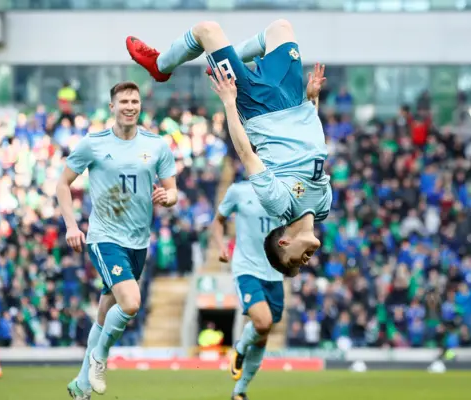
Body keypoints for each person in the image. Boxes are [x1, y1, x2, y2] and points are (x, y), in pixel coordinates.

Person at [126, 19, 330, 277]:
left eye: (293, 263)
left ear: (284, 242)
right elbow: (314, 148)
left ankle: (159, 66)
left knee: (206, 31)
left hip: (258, 107)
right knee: (281, 28)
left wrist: (229, 103)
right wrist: (313, 100)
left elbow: (246, 154)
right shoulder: (323, 207)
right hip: (295, 100)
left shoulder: (279, 206)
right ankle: (224, 59)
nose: (304, 262)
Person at [56, 81, 177, 400]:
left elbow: (173, 189)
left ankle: (82, 386)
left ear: (140, 106)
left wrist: (169, 197)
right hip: (105, 237)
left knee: (104, 312)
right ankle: (99, 359)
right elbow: (62, 183)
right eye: (123, 101)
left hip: (139, 241)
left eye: (134, 101)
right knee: (132, 302)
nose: (130, 106)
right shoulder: (93, 144)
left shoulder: (155, 145)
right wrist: (71, 225)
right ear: (112, 106)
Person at [212, 180, 284, 400]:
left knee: (263, 335)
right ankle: (241, 348)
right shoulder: (239, 191)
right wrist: (220, 246)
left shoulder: (284, 192)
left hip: (275, 272)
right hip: (247, 269)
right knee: (263, 323)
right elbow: (217, 221)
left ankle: (239, 392)